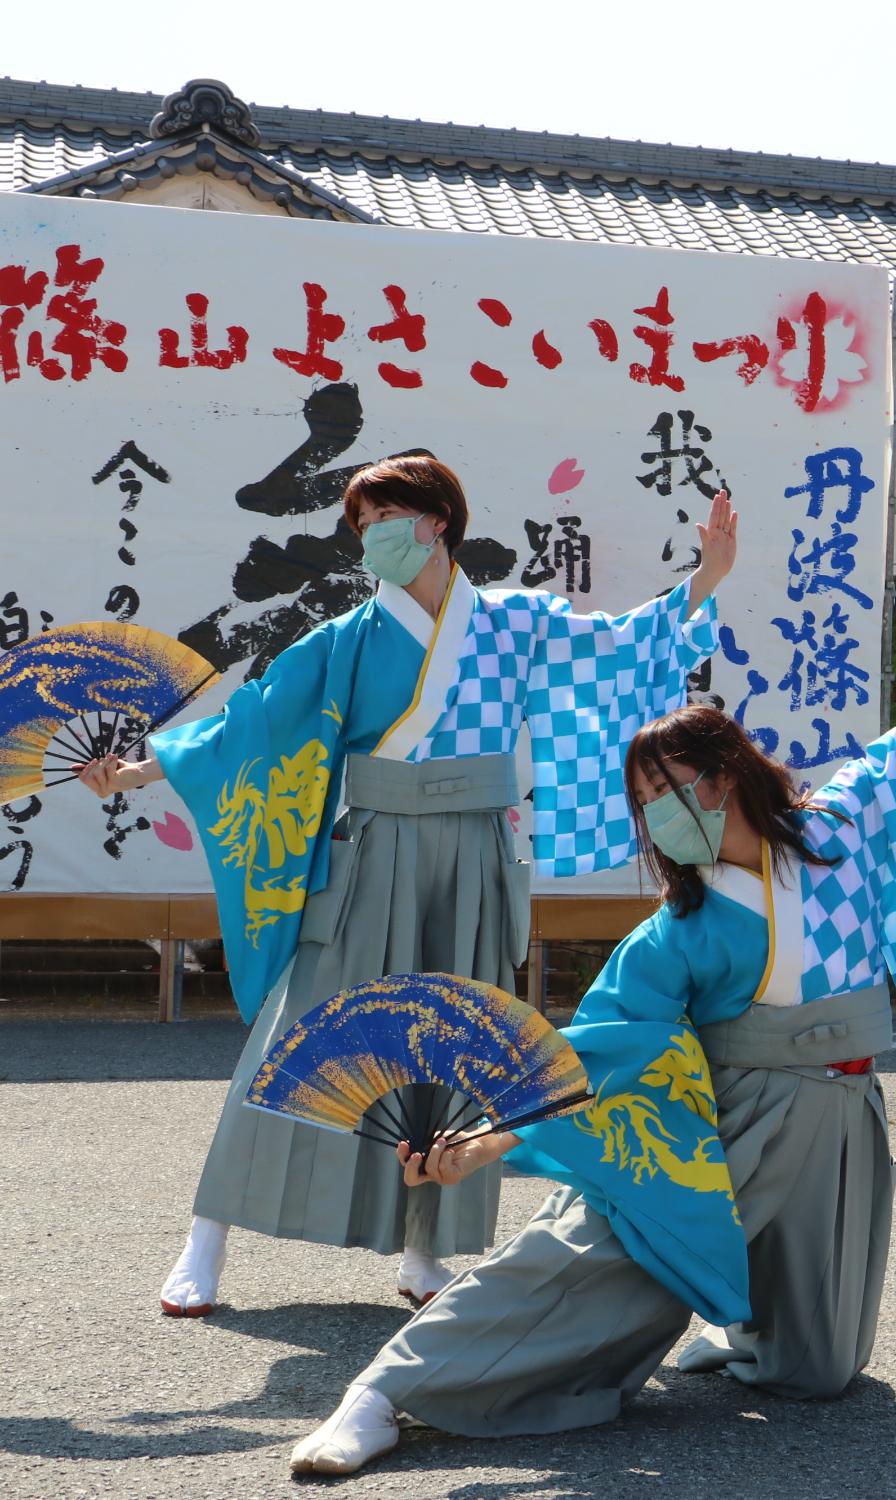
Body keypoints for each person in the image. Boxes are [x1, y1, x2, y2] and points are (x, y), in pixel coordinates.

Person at [286, 544, 896, 1476]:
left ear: (726, 774)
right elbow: (595, 1046)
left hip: (843, 1116)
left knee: (818, 1370)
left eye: (669, 789)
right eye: (644, 802)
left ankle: (737, 1326)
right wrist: (485, 1141)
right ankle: (387, 1391)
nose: (661, 812)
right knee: (595, 1263)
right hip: (732, 1120)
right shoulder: (680, 928)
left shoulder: (840, 827)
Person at [77, 457, 735, 1316]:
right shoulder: (348, 639)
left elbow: (619, 647)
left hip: (475, 851)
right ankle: (208, 1232)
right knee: (305, 1031)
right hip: (377, 847)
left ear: (437, 522)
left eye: (386, 516)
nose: (372, 535)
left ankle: (425, 1249)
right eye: (363, 523)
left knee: (457, 1042)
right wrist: (134, 772)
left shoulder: (515, 622)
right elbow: (253, 722)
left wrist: (705, 579)